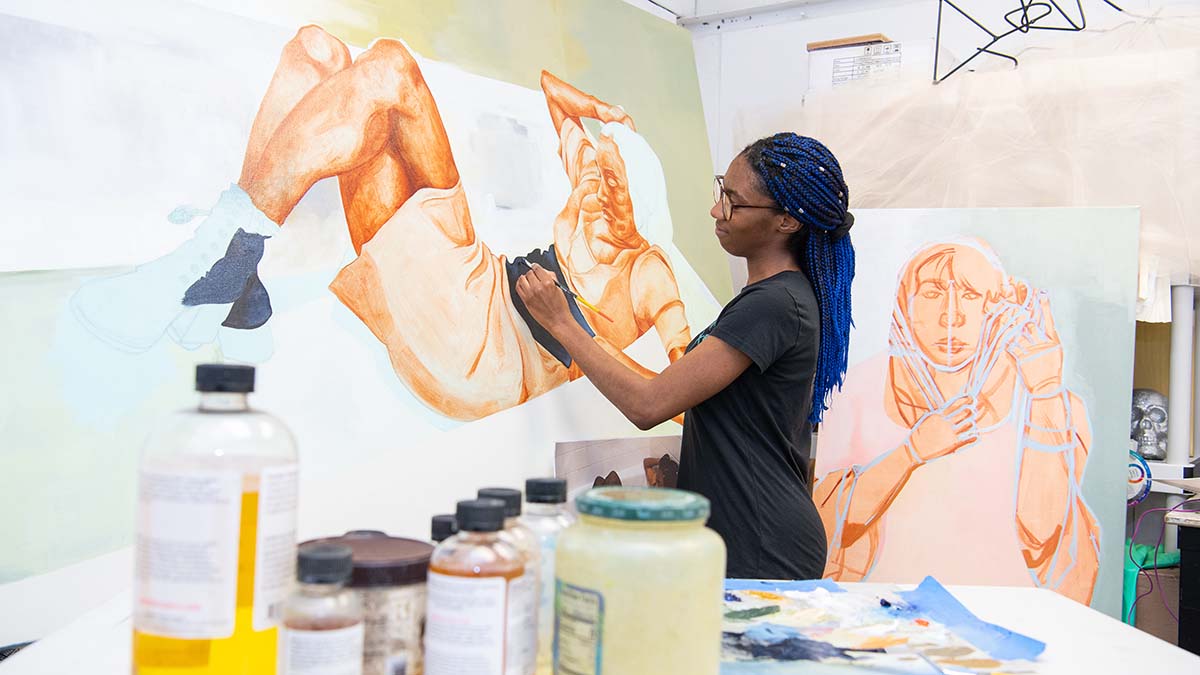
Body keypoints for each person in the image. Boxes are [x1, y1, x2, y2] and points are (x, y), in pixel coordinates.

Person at [70, 27, 692, 421]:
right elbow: (553, 92)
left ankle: (219, 260)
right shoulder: (594, 187)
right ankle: (236, 268)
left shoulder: (649, 272)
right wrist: (596, 110)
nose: (593, 184)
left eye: (612, 184)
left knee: (392, 66)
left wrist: (574, 335)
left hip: (490, 353)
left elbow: (674, 397)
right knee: (318, 52)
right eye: (593, 170)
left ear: (641, 208)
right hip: (476, 279)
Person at [518, 133, 855, 579]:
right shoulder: (774, 299)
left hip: (761, 542)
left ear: (787, 222)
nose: (718, 211)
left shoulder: (774, 305)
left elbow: (649, 404)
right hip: (752, 532)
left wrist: (562, 324)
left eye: (734, 201)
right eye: (721, 191)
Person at [813, 241, 1101, 604]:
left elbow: (1047, 539)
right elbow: (826, 527)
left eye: (970, 294)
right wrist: (912, 453)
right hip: (879, 612)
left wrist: (1044, 391)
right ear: (905, 302)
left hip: (1009, 617)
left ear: (996, 305)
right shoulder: (855, 388)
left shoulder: (1049, 399)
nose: (952, 315)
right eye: (932, 293)